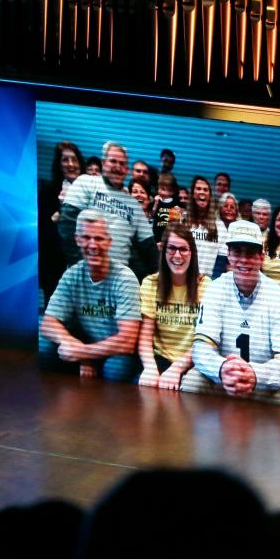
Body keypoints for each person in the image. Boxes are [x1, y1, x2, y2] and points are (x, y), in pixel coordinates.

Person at [183, 220, 280, 406]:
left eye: (251, 253)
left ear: (261, 257)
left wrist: (254, 374)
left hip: (261, 386)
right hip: (223, 382)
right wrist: (222, 369)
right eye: (237, 252)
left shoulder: (279, 296)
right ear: (228, 255)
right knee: (192, 382)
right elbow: (200, 349)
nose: (243, 260)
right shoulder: (215, 289)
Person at [40, 209, 140, 381]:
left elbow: (127, 340)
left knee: (116, 368)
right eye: (86, 238)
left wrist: (83, 352)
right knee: (43, 345)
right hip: (85, 344)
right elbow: (48, 323)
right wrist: (79, 351)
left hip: (117, 351)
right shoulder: (72, 275)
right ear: (77, 239)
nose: (92, 245)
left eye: (99, 238)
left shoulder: (125, 278)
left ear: (109, 242)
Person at [59, 141, 156, 272]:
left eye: (122, 163)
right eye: (113, 161)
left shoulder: (134, 204)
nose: (118, 167)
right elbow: (67, 226)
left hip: (118, 280)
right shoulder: (85, 182)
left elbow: (149, 246)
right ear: (103, 163)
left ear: (127, 170)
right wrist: (83, 267)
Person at [137, 224, 210, 389]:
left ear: (192, 253)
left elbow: (204, 340)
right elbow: (145, 336)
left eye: (183, 249)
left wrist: (177, 369)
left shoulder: (205, 285)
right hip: (160, 358)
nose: (177, 255)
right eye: (172, 248)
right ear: (163, 251)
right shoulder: (150, 283)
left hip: (193, 360)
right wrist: (150, 368)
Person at [39, 141, 83, 304]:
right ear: (58, 164)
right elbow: (42, 231)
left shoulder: (91, 190)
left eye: (74, 159)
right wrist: (61, 209)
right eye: (65, 160)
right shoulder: (47, 191)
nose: (71, 164)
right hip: (54, 264)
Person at [184, 176, 220, 276]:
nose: (202, 192)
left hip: (206, 282)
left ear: (210, 195)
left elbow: (221, 261)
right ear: (192, 194)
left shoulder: (219, 226)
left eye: (205, 190)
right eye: (198, 189)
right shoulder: (182, 220)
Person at [212, 192, 239, 279]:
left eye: (232, 207)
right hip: (216, 263)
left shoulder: (240, 227)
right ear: (220, 209)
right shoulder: (214, 225)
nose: (229, 209)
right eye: (225, 206)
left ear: (236, 211)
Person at [150, 172, 182, 242]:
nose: (165, 193)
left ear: (173, 191)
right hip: (156, 235)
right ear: (158, 188)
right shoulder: (156, 200)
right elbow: (152, 215)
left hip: (170, 236)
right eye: (163, 189)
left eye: (169, 190)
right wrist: (155, 203)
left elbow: (177, 219)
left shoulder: (175, 202)